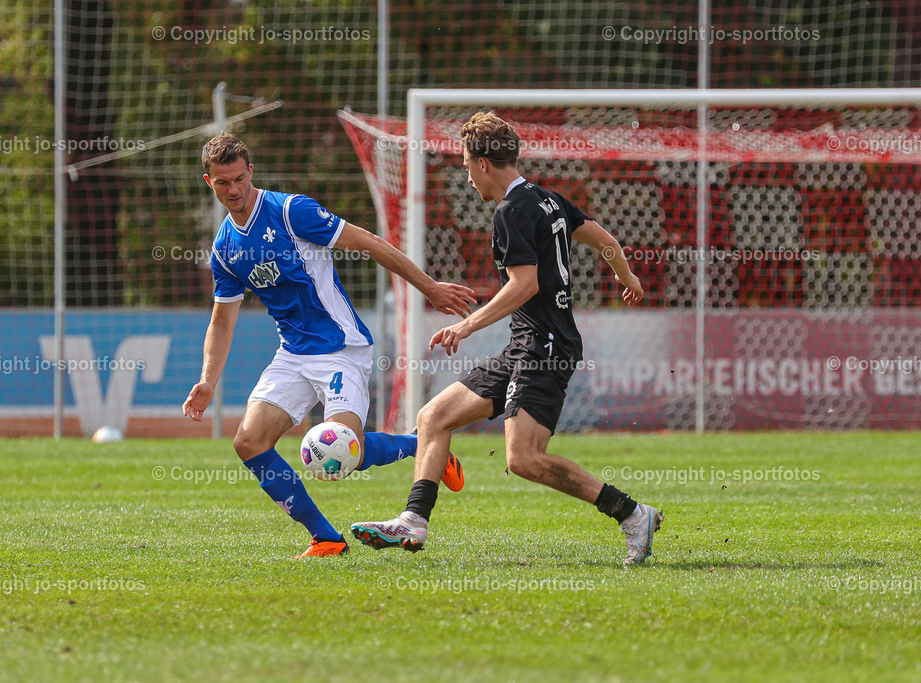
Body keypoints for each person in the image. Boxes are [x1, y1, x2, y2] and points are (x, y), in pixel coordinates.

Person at [351, 112, 663, 566]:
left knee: (524, 459)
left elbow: (525, 285)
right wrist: (626, 274)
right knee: (433, 417)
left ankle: (633, 514)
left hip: (546, 347)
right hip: (526, 344)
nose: (467, 176)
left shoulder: (510, 212)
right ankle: (413, 520)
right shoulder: (548, 200)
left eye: (465, 166)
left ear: (481, 164)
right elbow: (602, 238)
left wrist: (467, 324)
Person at [183, 133, 475, 558]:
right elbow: (222, 318)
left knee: (344, 447)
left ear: (251, 172)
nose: (233, 190)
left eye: (239, 179)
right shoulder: (225, 249)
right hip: (292, 354)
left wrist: (428, 287)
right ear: (209, 181)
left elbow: (370, 243)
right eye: (223, 182)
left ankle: (422, 444)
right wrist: (208, 380)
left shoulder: (290, 212)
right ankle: (326, 537)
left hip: (340, 347)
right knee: (249, 442)